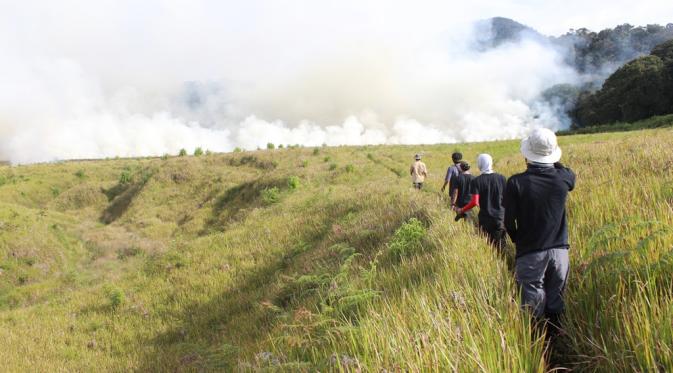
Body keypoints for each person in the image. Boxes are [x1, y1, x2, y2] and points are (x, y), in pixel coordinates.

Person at [503, 128, 576, 335]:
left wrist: (516, 238)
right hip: (560, 251)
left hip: (530, 251)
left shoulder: (516, 182)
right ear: (552, 154)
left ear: (527, 155)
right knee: (556, 297)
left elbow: (508, 220)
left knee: (532, 301)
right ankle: (555, 339)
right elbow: (568, 172)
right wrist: (554, 160)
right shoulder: (563, 179)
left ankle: (537, 344)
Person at [458, 154, 507, 251]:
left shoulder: (477, 181)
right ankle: (502, 265)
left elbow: (474, 202)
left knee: (488, 247)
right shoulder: (501, 178)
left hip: (486, 219)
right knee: (501, 247)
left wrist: (462, 209)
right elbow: (507, 198)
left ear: (479, 164)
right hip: (501, 218)